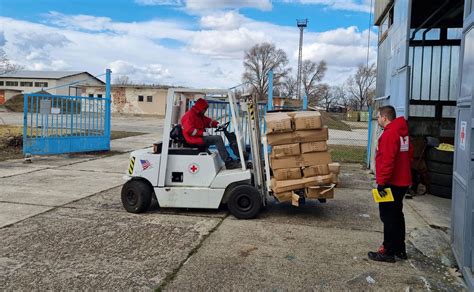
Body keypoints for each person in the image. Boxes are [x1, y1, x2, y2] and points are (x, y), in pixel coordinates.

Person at [368, 105, 413, 263]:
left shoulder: (390, 134)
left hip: (392, 183)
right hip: (402, 181)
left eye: (378, 116)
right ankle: (400, 249)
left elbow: (387, 161)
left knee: (388, 217)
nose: (378, 119)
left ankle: (388, 251)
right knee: (397, 216)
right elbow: (409, 155)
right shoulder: (403, 133)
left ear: (384, 118)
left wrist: (382, 182)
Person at [181, 98, 239, 169]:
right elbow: (189, 130)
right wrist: (202, 133)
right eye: (204, 109)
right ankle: (228, 162)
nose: (205, 111)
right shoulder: (189, 115)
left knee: (214, 138)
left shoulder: (199, 115)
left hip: (198, 137)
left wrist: (217, 124)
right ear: (200, 107)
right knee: (217, 138)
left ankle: (227, 159)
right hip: (193, 139)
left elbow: (208, 122)